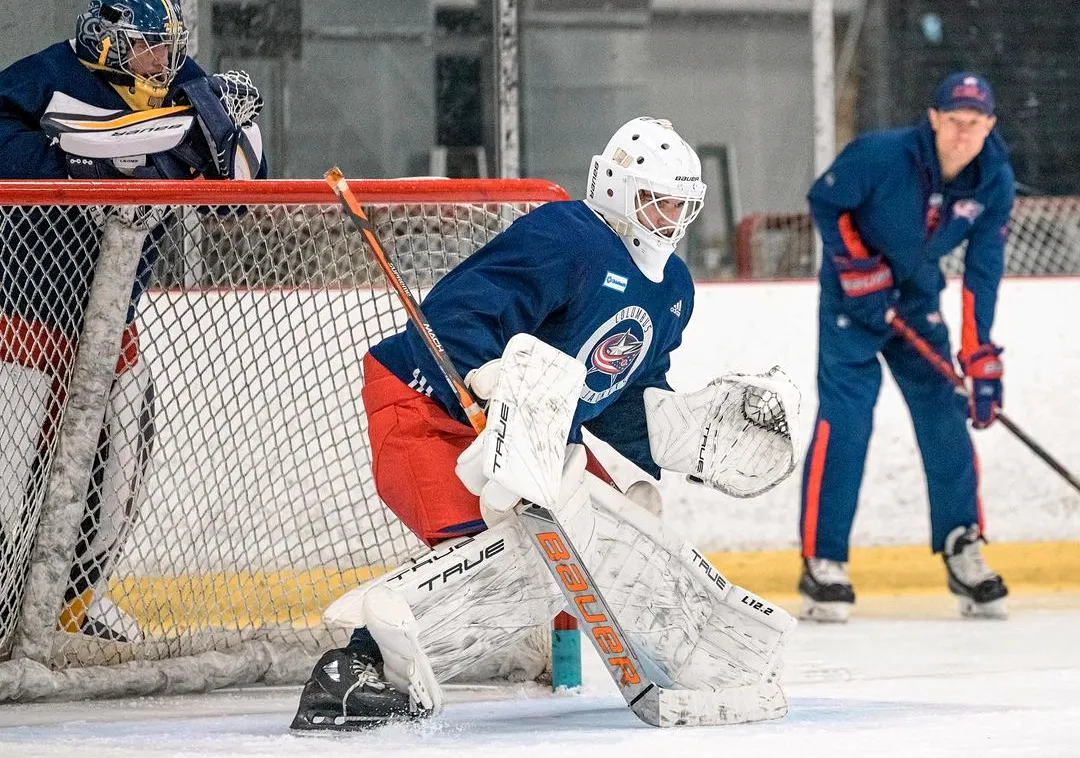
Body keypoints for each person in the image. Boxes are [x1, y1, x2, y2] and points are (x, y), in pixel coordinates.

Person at [291, 117, 803, 730]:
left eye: (680, 206)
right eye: (656, 201)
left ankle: (686, 658)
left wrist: (684, 440)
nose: (669, 218)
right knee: (500, 548)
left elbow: (619, 390)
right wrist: (482, 375)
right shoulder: (568, 238)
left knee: (609, 548)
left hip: (539, 437)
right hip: (427, 406)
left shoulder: (674, 290)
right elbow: (454, 313)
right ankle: (348, 673)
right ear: (615, 188)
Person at [0, 0, 267, 642]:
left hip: (111, 330)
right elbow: (27, 166)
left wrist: (225, 136)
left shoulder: (178, 82)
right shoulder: (37, 80)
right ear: (106, 41)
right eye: (149, 46)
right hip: (18, 323)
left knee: (112, 485)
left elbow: (236, 200)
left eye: (172, 47)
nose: (165, 60)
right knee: (9, 491)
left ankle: (65, 612)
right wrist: (125, 156)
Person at [797, 72, 1016, 623]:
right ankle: (823, 562)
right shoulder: (881, 155)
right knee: (847, 419)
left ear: (990, 125)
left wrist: (979, 355)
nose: (965, 133)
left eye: (976, 123)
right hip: (853, 299)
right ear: (935, 118)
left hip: (917, 298)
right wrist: (855, 266)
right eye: (955, 121)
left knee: (946, 414)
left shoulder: (994, 181)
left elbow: (982, 274)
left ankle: (962, 545)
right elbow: (826, 201)